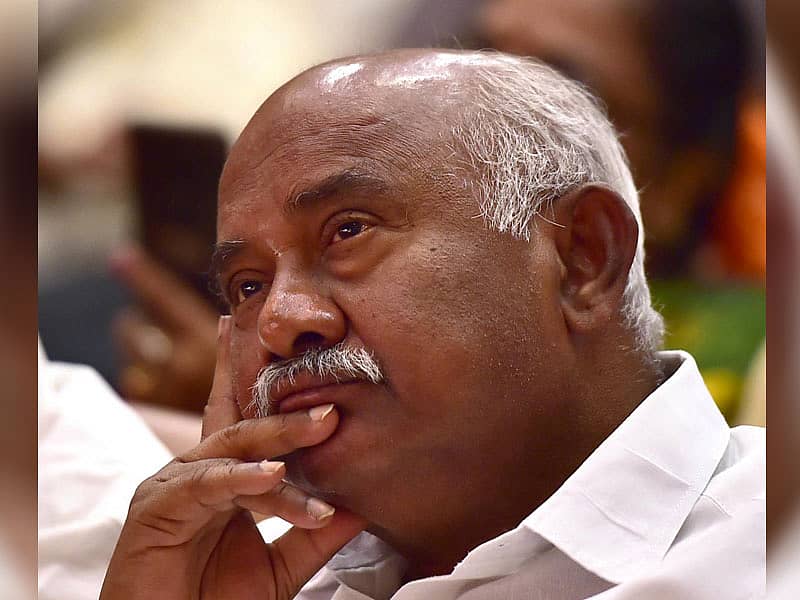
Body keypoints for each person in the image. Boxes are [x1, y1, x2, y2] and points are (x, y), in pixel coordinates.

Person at [100, 49, 765, 599]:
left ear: (582, 258)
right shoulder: (238, 581)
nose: (279, 320)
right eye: (248, 286)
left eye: (348, 231)